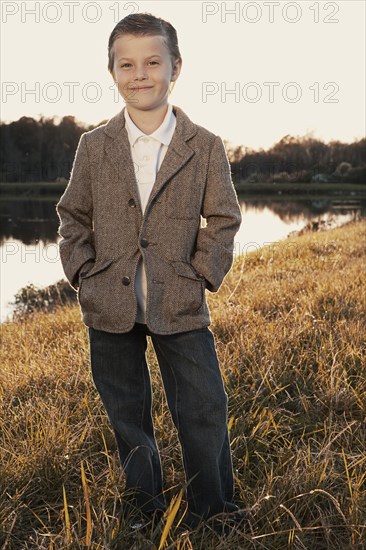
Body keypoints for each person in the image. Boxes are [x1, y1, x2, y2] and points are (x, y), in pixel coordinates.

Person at [56, 12, 242, 531]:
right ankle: (145, 510)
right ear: (112, 72)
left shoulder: (204, 145)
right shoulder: (94, 146)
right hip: (109, 305)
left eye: (152, 62)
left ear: (175, 68)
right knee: (128, 416)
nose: (140, 74)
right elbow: (72, 215)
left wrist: (200, 273)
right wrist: (83, 272)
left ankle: (214, 513)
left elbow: (224, 218)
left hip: (178, 302)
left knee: (203, 406)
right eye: (127, 64)